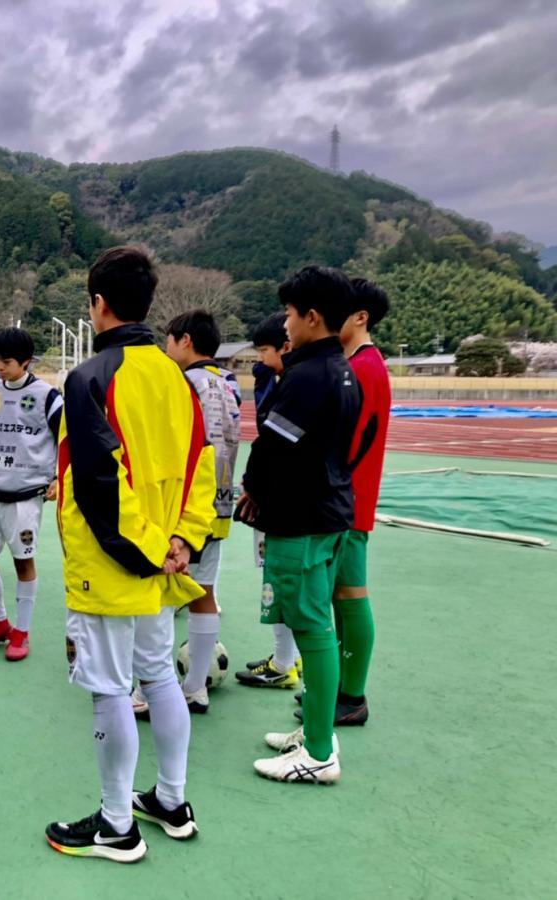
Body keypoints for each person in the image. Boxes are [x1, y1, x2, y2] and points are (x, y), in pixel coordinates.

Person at [45, 248, 216, 862]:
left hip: (114, 563)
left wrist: (147, 550)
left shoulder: (90, 377)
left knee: (110, 689)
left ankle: (117, 825)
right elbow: (202, 466)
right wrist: (183, 540)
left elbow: (98, 482)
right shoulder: (178, 378)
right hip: (163, 558)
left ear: (98, 304)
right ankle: (171, 799)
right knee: (159, 676)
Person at [235, 266, 361, 784]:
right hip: (328, 512)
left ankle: (319, 752)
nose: (284, 324)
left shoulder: (308, 376)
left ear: (312, 316)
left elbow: (274, 447)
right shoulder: (340, 369)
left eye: (288, 314)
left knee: (312, 628)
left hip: (302, 518)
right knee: (316, 624)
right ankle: (315, 731)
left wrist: (253, 490)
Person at [295, 276, 390, 727]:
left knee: (350, 595)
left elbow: (347, 442)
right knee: (340, 596)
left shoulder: (365, 368)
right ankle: (340, 691)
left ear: (361, 317)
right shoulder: (357, 364)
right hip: (346, 499)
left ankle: (352, 695)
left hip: (348, 501)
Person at [158, 309, 240, 714]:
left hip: (184, 508)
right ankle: (195, 687)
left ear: (185, 340)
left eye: (169, 340)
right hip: (219, 504)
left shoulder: (183, 382)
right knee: (203, 592)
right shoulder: (228, 383)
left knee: (160, 593)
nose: (166, 348)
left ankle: (150, 689)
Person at [0, 328, 62, 662]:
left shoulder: (47, 396)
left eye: (7, 361)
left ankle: (22, 631)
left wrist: (59, 477)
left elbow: (66, 438)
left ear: (26, 361)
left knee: (23, 562)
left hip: (25, 495)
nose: (0, 367)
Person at [236, 313, 302, 688]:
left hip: (281, 501)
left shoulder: (298, 383)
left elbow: (273, 443)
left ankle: (283, 664)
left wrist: (254, 486)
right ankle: (290, 658)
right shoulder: (277, 379)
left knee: (277, 581)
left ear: (285, 346)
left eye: (264, 350)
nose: (259, 359)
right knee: (285, 580)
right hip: (280, 496)